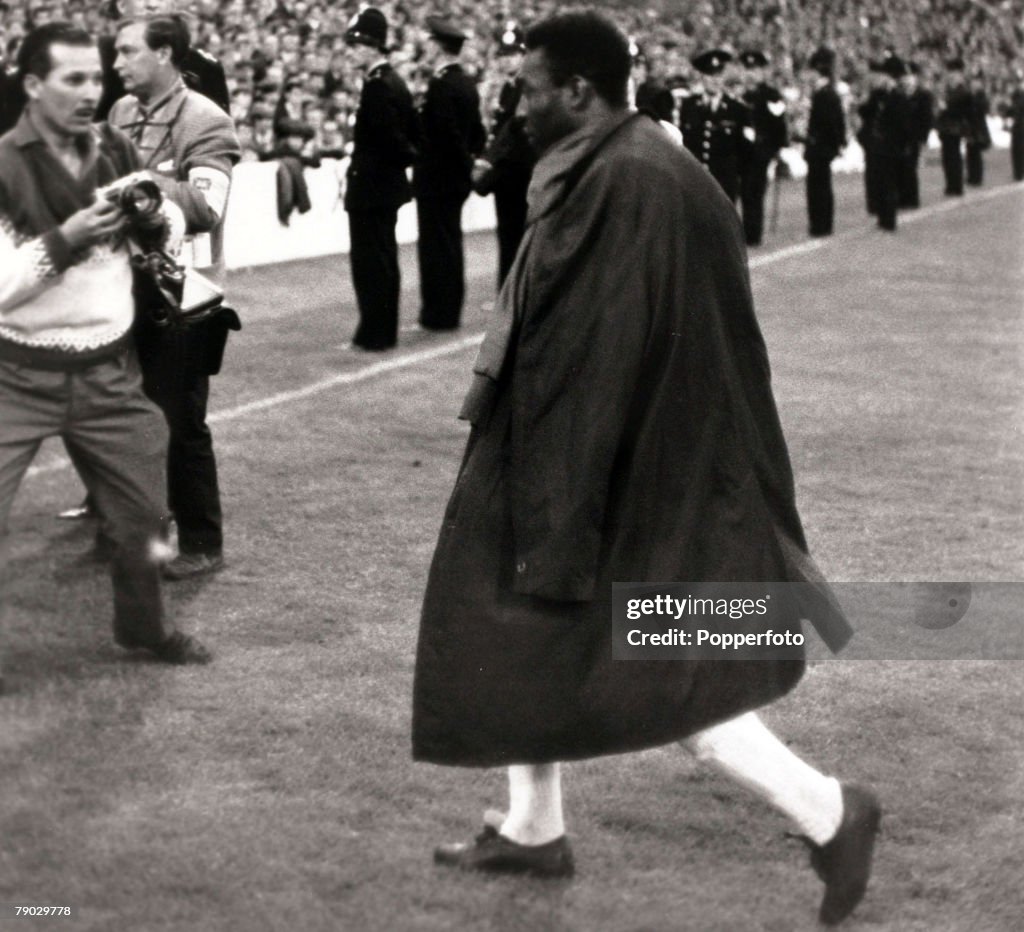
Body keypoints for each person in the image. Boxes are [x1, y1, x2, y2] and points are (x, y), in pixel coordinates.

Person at [413, 12, 880, 927]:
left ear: (578, 91)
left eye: (532, 86)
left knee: (669, 667)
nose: (519, 100)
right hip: (592, 450)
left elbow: (608, 352)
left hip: (622, 470)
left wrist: (565, 499)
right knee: (519, 635)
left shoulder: (629, 179)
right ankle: (534, 830)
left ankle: (832, 811)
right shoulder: (624, 162)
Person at [0, 22, 211, 667]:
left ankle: (144, 628)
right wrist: (65, 238)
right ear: (34, 86)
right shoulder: (4, 164)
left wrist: (157, 218)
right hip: (16, 375)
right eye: (74, 78)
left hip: (109, 374)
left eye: (97, 76)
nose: (93, 89)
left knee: (146, 519)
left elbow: (171, 229)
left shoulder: (116, 146)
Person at [109, 13, 241, 580]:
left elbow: (207, 207)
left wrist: (137, 184)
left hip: (182, 297)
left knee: (181, 424)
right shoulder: (118, 114)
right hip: (120, 292)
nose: (116, 65)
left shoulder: (207, 120)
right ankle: (141, 531)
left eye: (127, 52)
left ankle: (202, 542)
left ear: (164, 54)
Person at [342, 6, 418, 351]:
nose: (352, 51)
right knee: (382, 259)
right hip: (384, 188)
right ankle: (379, 330)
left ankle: (375, 333)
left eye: (358, 45)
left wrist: (374, 168)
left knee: (371, 262)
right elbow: (411, 138)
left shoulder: (377, 87)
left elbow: (392, 142)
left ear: (373, 47)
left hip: (372, 188)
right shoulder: (394, 82)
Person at [413, 15, 485, 331]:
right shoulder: (467, 83)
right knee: (450, 244)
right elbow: (477, 133)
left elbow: (445, 134)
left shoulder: (441, 85)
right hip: (454, 179)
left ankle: (437, 315)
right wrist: (470, 162)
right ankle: (448, 311)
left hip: (437, 178)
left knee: (435, 247)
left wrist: (461, 161)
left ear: (439, 47)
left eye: (430, 41)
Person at [471, 22, 535, 289]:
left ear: (523, 56)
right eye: (502, 55)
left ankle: (513, 299)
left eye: (512, 54)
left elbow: (517, 134)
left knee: (515, 240)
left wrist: (490, 161)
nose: (505, 60)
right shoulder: (510, 88)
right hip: (510, 176)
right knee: (508, 239)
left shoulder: (525, 88)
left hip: (519, 174)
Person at [96, 0, 229, 121]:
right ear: (122, 5)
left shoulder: (204, 67)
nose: (152, 4)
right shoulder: (96, 58)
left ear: (173, 4)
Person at [678, 48, 750, 203]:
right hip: (695, 183)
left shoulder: (736, 109)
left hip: (725, 185)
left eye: (719, 75)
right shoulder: (689, 106)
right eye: (710, 75)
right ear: (702, 77)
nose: (715, 80)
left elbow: (744, 152)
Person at [738, 49, 787, 246]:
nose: (751, 73)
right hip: (742, 150)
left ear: (763, 72)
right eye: (748, 69)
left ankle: (753, 233)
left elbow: (778, 123)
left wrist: (777, 148)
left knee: (755, 190)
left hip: (761, 150)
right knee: (744, 191)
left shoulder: (771, 95)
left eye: (755, 69)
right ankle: (746, 230)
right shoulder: (741, 94)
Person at [859, 54, 913, 232]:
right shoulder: (879, 95)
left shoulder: (898, 96)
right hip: (878, 144)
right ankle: (882, 215)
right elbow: (866, 112)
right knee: (880, 181)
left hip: (890, 144)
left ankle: (888, 218)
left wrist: (902, 143)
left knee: (889, 182)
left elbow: (903, 123)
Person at [803, 46, 845, 237]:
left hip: (819, 148)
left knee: (818, 188)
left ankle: (820, 224)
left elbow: (829, 124)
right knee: (821, 186)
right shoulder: (828, 93)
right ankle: (822, 223)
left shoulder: (824, 95)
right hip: (822, 147)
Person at [898, 62, 934, 209]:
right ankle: (902, 197)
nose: (906, 80)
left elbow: (927, 118)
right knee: (900, 167)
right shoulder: (899, 94)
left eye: (909, 76)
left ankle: (912, 199)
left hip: (914, 136)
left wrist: (923, 137)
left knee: (910, 167)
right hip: (900, 137)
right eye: (904, 77)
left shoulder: (923, 95)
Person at [937, 57, 972, 196]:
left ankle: (956, 185)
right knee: (947, 157)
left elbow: (963, 109)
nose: (951, 75)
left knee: (954, 157)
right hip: (946, 126)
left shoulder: (962, 90)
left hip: (955, 126)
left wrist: (946, 107)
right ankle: (950, 184)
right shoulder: (950, 89)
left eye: (954, 72)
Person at [965, 69, 990, 187]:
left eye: (976, 82)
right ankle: (971, 176)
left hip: (978, 127)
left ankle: (977, 177)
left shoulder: (981, 95)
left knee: (976, 153)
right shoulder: (971, 95)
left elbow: (982, 109)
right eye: (972, 82)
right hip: (971, 126)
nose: (973, 84)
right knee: (970, 152)